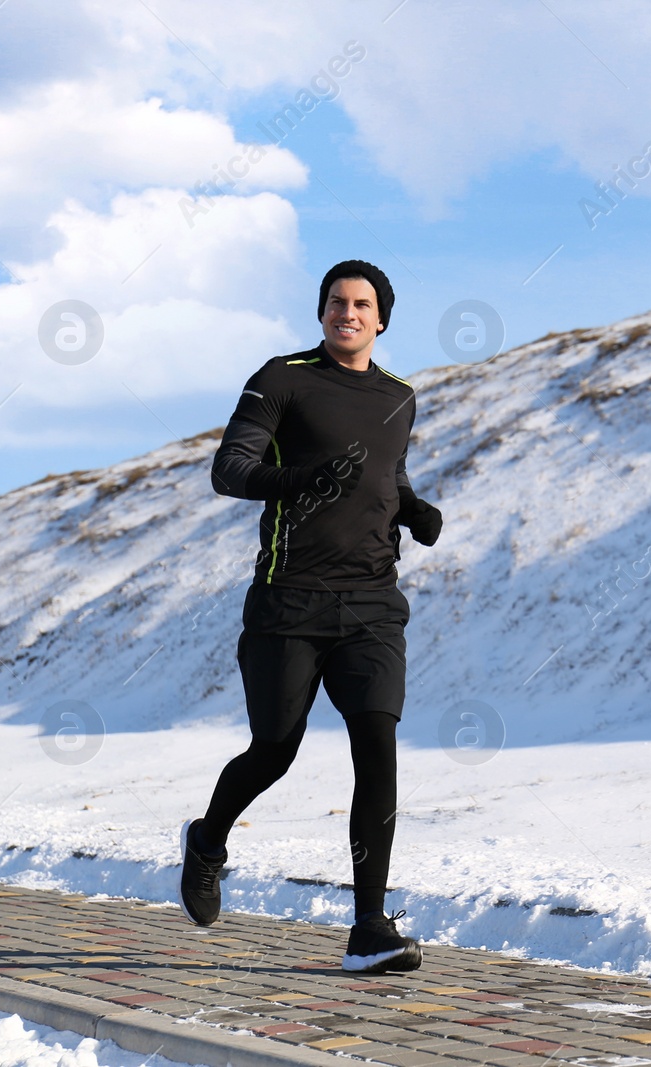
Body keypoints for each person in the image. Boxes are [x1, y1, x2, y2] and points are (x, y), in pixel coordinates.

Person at [177, 260, 443, 973]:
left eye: (360, 304)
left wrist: (412, 507)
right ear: (322, 312)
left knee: (377, 746)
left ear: (381, 318)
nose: (346, 313)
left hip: (371, 605)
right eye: (335, 302)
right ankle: (207, 840)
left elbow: (388, 474)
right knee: (275, 747)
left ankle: (368, 926)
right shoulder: (282, 378)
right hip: (287, 600)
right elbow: (229, 470)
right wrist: (297, 480)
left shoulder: (400, 396)